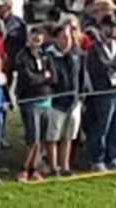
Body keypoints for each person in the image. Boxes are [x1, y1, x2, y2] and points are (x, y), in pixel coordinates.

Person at [84, 15, 116, 172]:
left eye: (114, 27)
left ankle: (112, 156)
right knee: (102, 126)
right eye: (108, 27)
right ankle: (97, 159)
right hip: (104, 91)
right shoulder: (95, 47)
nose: (111, 31)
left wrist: (114, 65)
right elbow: (100, 67)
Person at [45, 22, 88, 176]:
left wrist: (82, 96)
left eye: (68, 37)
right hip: (57, 103)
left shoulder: (78, 55)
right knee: (53, 136)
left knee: (68, 136)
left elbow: (82, 77)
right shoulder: (49, 56)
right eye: (63, 37)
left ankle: (65, 166)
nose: (66, 41)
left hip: (74, 102)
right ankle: (53, 166)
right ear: (56, 39)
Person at [14, 26, 55, 182]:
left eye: (39, 35)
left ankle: (34, 168)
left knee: (42, 138)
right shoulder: (22, 56)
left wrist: (43, 78)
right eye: (33, 35)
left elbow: (53, 76)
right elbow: (28, 78)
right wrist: (43, 77)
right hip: (29, 101)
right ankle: (24, 169)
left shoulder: (46, 55)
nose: (36, 38)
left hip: (46, 100)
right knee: (33, 138)